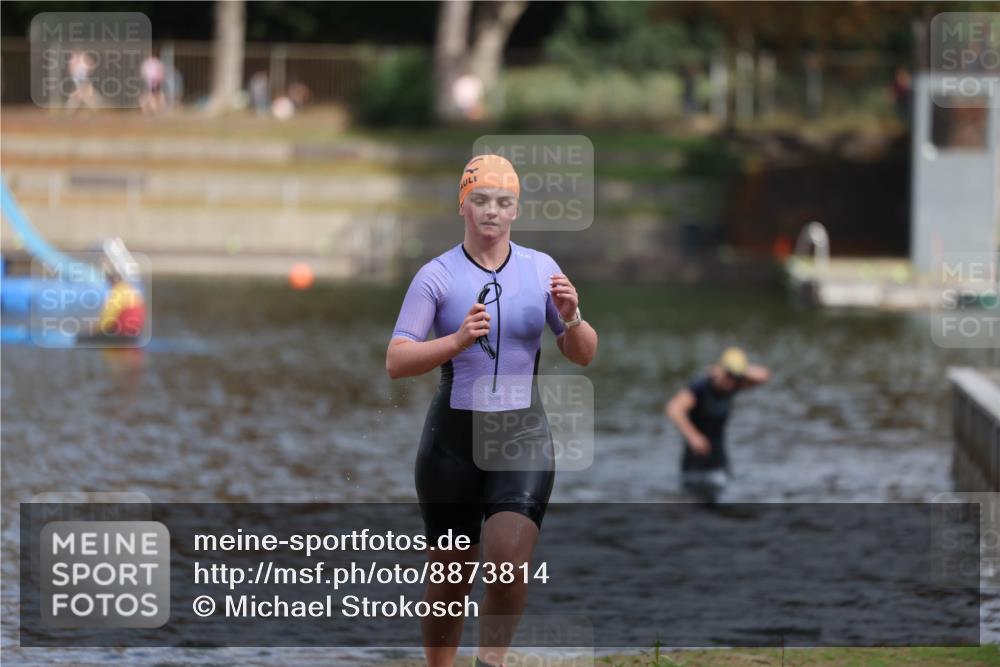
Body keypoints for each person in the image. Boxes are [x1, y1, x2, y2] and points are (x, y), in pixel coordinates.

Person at [387, 154, 598, 667]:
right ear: (463, 204)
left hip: (521, 435)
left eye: (503, 203)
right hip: (452, 443)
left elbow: (583, 353)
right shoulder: (436, 276)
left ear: (515, 211)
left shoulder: (541, 269)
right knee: (450, 577)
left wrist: (572, 318)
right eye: (480, 200)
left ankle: (490, 663)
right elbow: (397, 360)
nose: (491, 212)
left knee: (508, 565)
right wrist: (455, 340)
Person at [665, 347, 769, 505]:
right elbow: (674, 408)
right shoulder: (701, 386)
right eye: (728, 374)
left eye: (736, 377)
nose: (731, 380)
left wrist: (738, 370)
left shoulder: (732, 386)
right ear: (719, 369)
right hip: (695, 463)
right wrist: (694, 437)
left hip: (719, 462)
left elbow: (764, 376)